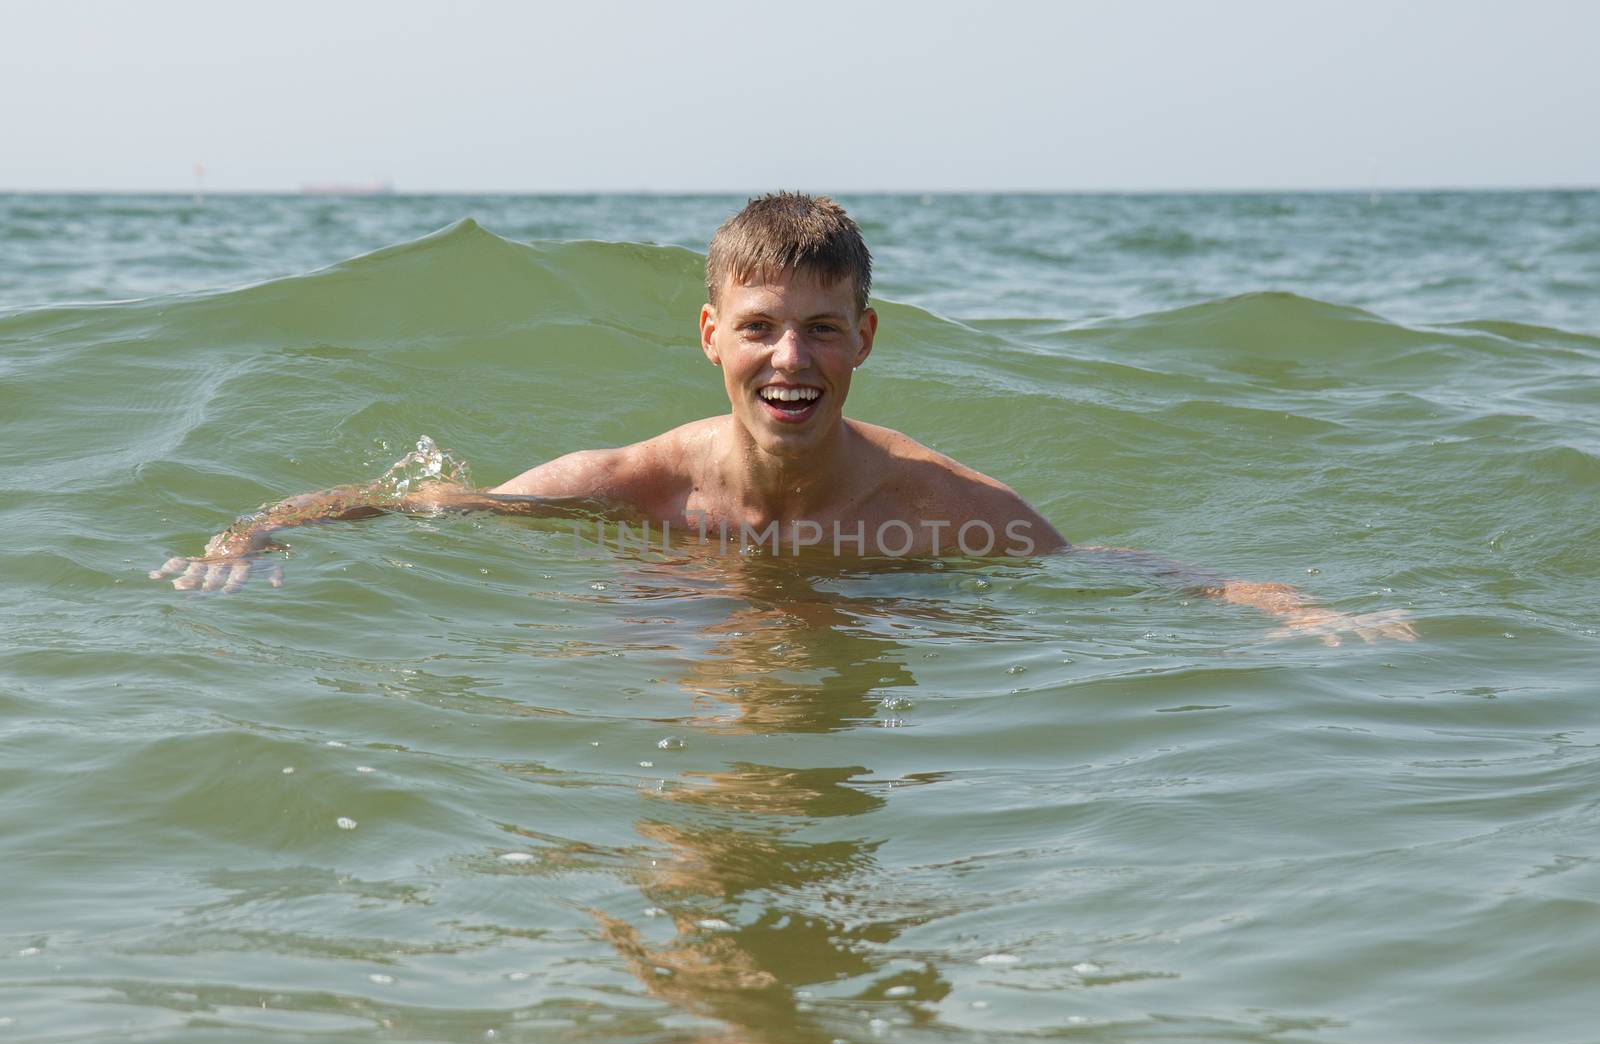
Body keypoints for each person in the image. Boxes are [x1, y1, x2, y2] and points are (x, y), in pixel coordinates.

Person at [152, 192, 1413, 644]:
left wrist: (1299, 608)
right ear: (712, 338)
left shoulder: (938, 511)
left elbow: (1118, 573)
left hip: (872, 598)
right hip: (679, 601)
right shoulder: (637, 484)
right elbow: (413, 500)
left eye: (819, 327)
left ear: (866, 338)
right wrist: (261, 533)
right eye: (759, 327)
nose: (788, 357)